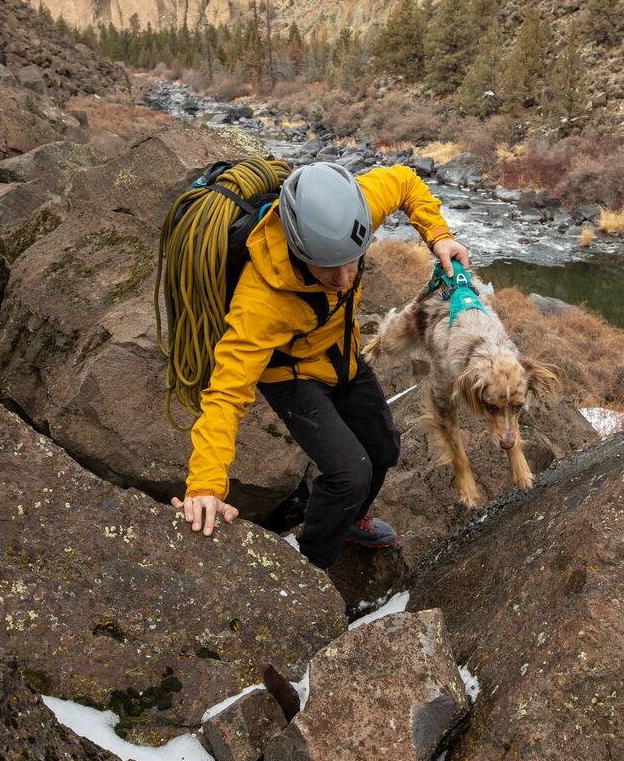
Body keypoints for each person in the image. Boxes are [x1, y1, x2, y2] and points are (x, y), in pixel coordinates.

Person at [170, 161, 469, 567]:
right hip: (292, 377)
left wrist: (439, 236)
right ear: (298, 248)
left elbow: (404, 181)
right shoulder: (261, 302)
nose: (345, 278)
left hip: (342, 356)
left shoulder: (353, 210)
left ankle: (350, 520)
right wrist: (205, 484)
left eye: (353, 261)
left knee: (383, 448)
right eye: (330, 267)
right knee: (350, 475)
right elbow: (226, 393)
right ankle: (309, 565)